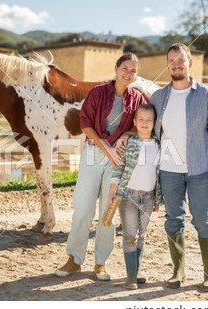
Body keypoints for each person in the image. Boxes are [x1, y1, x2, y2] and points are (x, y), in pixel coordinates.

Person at [54, 52, 147, 280]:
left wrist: (127, 133)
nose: (128, 74)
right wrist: (109, 150)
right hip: (94, 154)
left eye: (133, 71)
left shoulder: (137, 99)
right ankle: (74, 259)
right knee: (83, 208)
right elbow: (85, 125)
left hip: (118, 159)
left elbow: (143, 125)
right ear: (116, 68)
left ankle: (100, 263)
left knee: (109, 211)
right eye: (125, 68)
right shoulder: (97, 93)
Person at [150, 43, 208, 292]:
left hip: (200, 169)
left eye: (181, 59)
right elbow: (149, 133)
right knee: (173, 219)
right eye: (172, 60)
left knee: (204, 220)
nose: (177, 64)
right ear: (167, 65)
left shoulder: (205, 94)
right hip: (169, 170)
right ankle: (178, 270)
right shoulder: (159, 97)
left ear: (190, 62)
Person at [105, 104, 163, 290]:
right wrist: (113, 192)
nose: (145, 123)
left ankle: (136, 271)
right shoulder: (129, 143)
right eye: (141, 120)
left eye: (149, 120)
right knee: (130, 235)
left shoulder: (158, 145)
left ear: (154, 123)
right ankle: (130, 277)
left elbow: (158, 173)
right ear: (134, 122)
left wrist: (156, 198)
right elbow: (119, 168)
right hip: (128, 196)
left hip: (148, 197)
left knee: (142, 235)